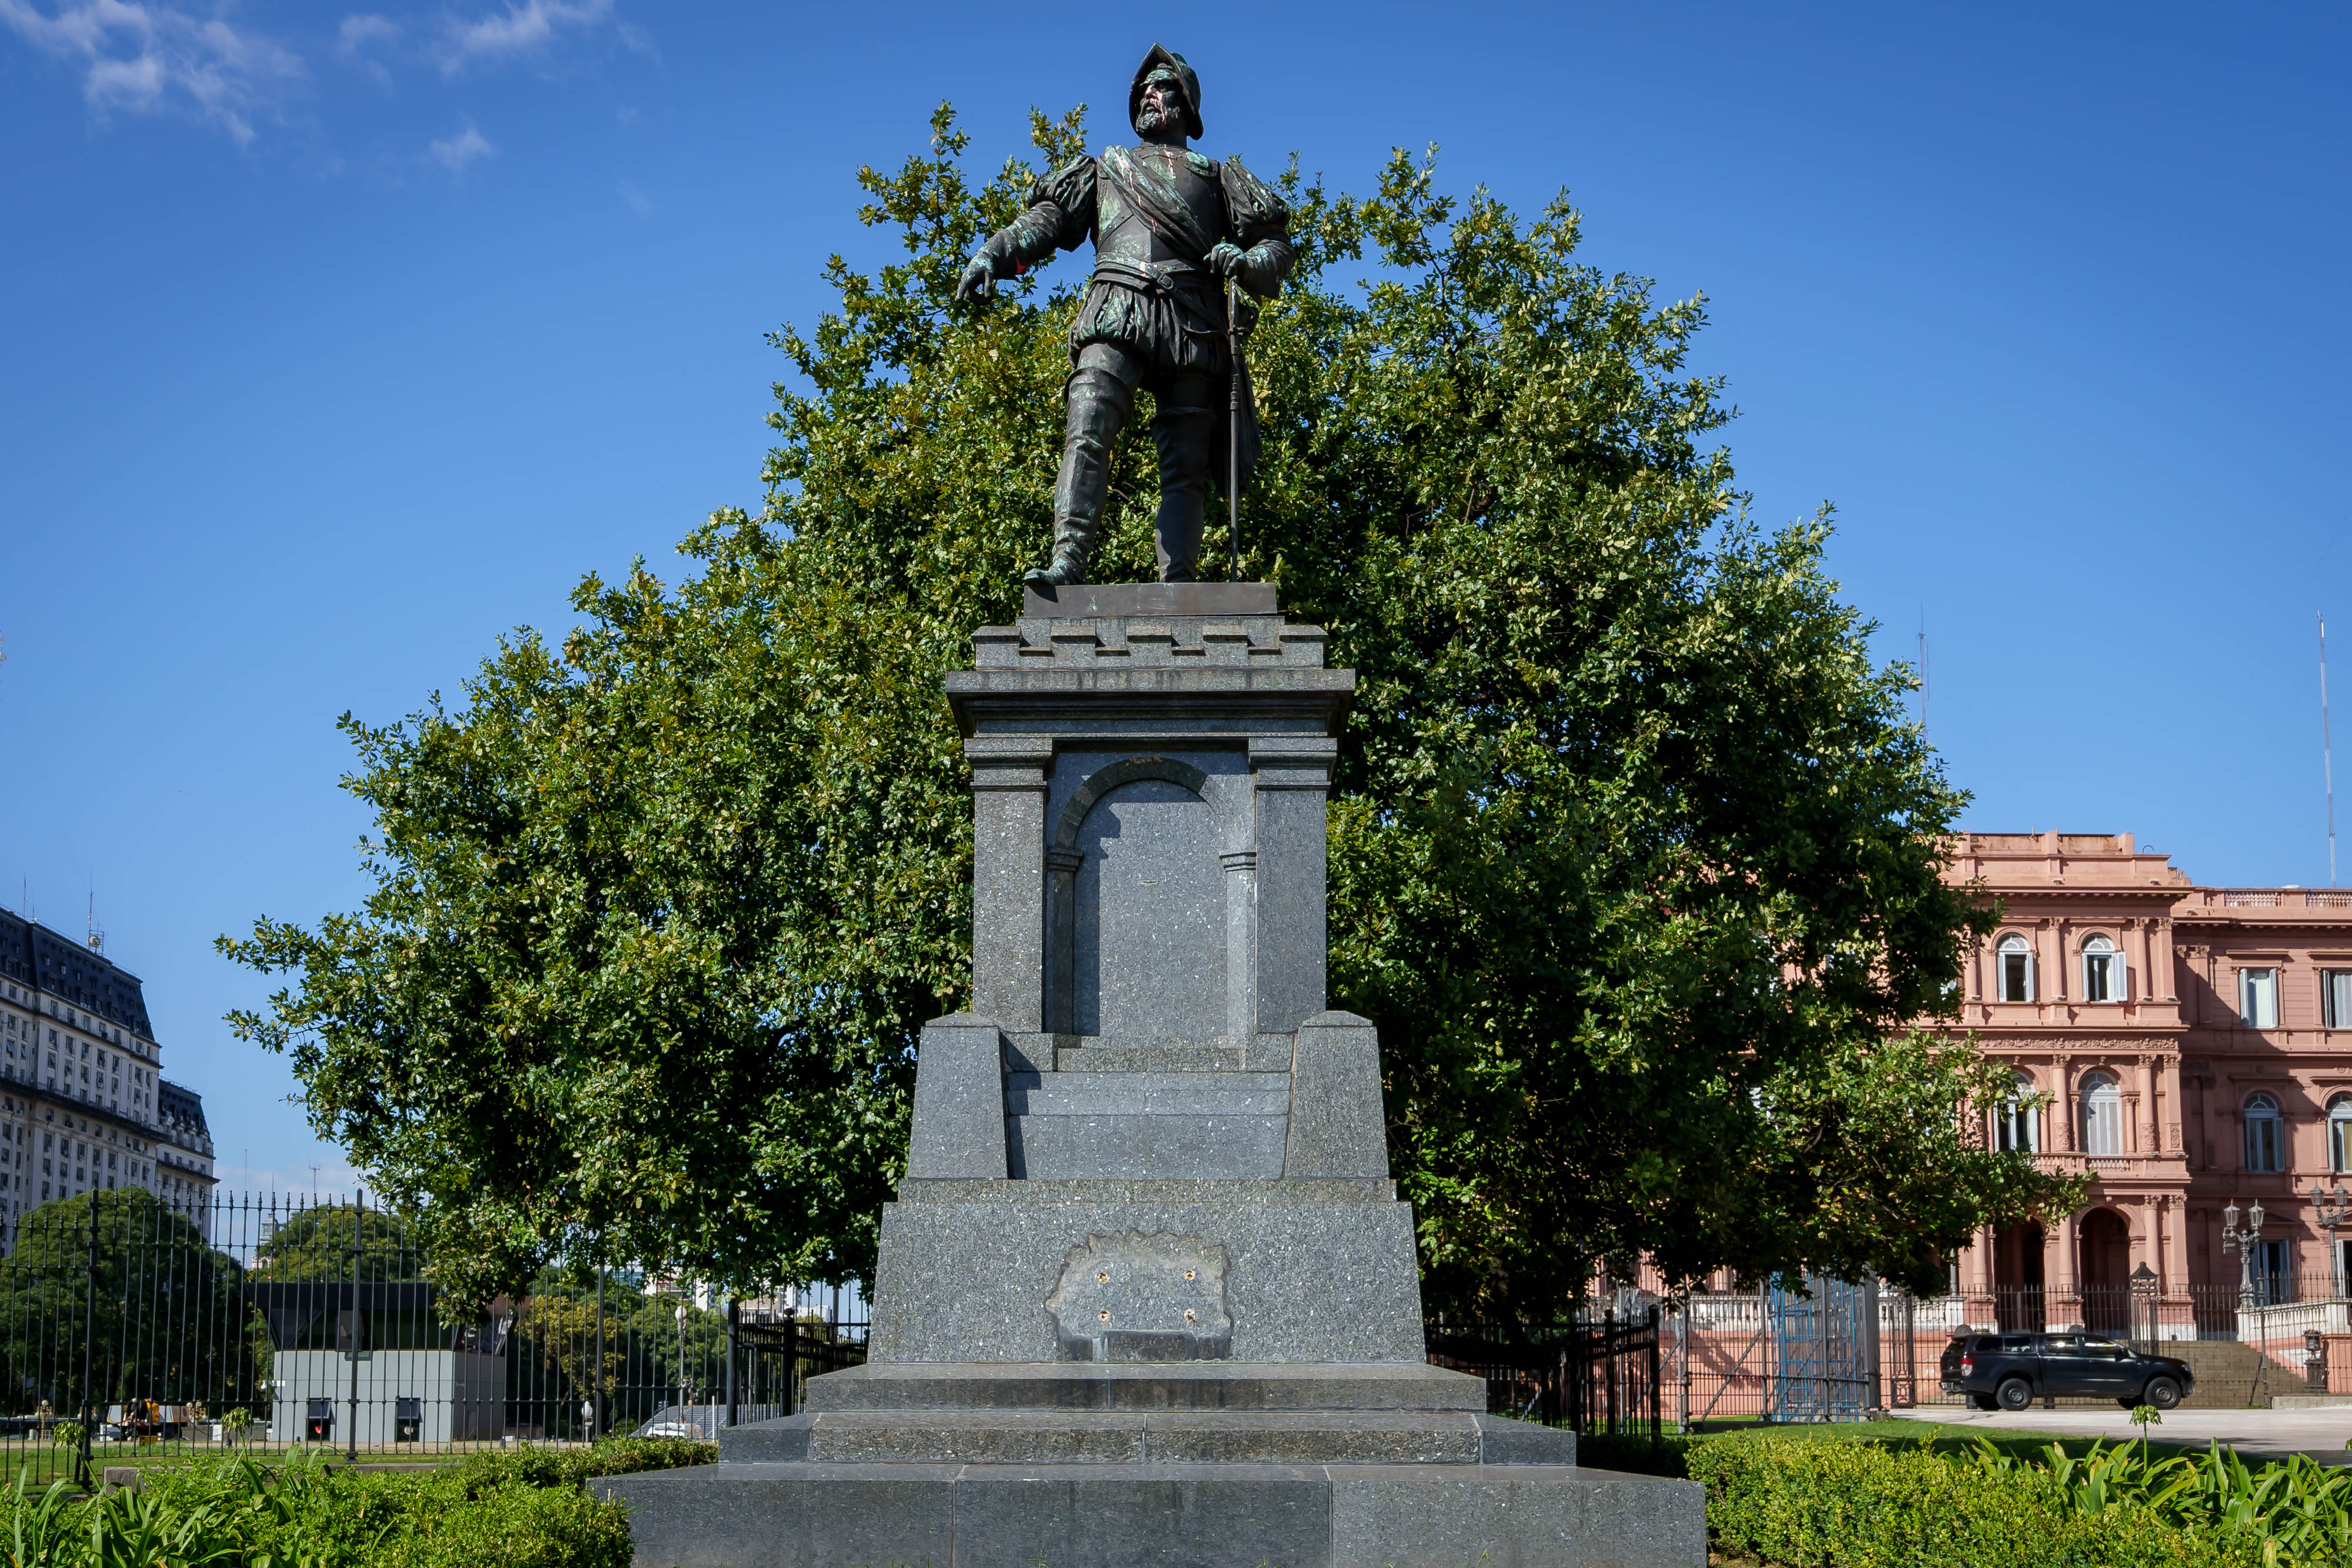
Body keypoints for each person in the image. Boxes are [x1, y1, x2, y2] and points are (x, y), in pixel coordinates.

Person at [956, 46, 1295, 587]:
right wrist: (994, 253)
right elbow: (1047, 221)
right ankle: (1067, 563)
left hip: (1192, 321)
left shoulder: (1219, 177)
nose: (1147, 95)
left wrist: (1248, 261)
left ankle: (1178, 584)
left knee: (1185, 466)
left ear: (1186, 104)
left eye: (1160, 87)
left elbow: (1275, 245)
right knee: (1087, 427)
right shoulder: (1106, 169)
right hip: (1118, 306)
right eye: (1143, 90)